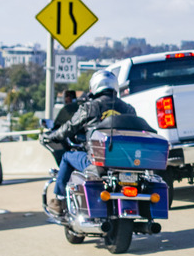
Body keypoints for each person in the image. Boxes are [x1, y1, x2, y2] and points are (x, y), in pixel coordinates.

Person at [42, 70, 136, 215]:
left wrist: (52, 136)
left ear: (95, 86)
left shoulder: (90, 107)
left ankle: (59, 200)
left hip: (97, 161)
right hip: (124, 162)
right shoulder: (128, 108)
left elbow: (68, 128)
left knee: (67, 157)